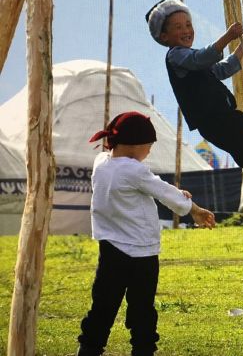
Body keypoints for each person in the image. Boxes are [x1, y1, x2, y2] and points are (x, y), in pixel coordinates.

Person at [76, 111, 216, 356]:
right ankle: (143, 349)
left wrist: (174, 192)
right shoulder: (134, 170)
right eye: (149, 146)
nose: (149, 151)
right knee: (142, 307)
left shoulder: (101, 163)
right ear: (136, 146)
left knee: (103, 304)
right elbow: (159, 189)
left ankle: (89, 348)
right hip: (140, 253)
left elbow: (154, 185)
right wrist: (194, 210)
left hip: (110, 249)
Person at [146, 0, 243, 223]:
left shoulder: (194, 60)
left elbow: (221, 69)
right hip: (214, 120)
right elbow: (201, 58)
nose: (186, 30)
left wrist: (242, 47)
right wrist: (227, 37)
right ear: (164, 37)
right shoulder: (177, 56)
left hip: (225, 117)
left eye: (188, 24)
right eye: (178, 27)